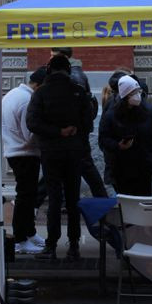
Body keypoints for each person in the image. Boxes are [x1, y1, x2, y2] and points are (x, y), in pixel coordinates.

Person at [26, 54, 96, 261]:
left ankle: (51, 245)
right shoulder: (79, 92)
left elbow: (32, 123)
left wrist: (56, 132)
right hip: (74, 152)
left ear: (49, 70)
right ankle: (74, 245)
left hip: (51, 152)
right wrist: (73, 133)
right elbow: (89, 123)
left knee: (55, 198)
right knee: (74, 199)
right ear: (67, 70)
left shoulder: (40, 94)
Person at [1, 66, 47, 255]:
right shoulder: (28, 101)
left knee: (27, 195)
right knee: (25, 197)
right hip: (24, 152)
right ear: (39, 85)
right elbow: (30, 134)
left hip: (14, 150)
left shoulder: (13, 94)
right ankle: (20, 239)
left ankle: (29, 233)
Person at [50, 47, 108, 198]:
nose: (50, 60)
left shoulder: (73, 76)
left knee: (84, 167)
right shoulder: (77, 73)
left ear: (62, 57)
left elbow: (75, 107)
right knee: (83, 167)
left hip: (75, 133)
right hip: (78, 132)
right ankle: (99, 199)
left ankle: (100, 199)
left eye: (53, 56)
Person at [99, 76, 152, 196]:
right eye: (134, 93)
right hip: (122, 169)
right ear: (125, 96)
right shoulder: (111, 114)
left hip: (147, 167)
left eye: (138, 92)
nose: (138, 95)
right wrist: (118, 146)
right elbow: (104, 139)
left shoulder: (149, 110)